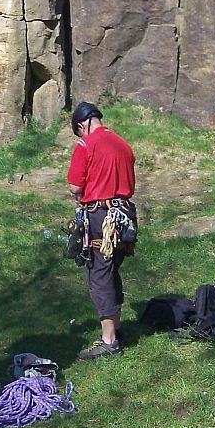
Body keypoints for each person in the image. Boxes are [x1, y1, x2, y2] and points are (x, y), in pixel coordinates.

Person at [67, 102, 137, 359]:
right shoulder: (123, 145)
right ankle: (116, 329)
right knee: (111, 268)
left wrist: (81, 194)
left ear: (81, 125)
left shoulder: (85, 144)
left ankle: (109, 340)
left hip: (101, 216)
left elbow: (75, 186)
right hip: (125, 215)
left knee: (99, 273)